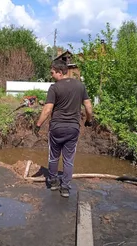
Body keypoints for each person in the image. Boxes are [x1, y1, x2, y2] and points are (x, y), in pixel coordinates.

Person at [35, 59, 93, 198]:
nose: (51, 75)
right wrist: (89, 121)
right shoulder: (80, 86)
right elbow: (89, 107)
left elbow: (48, 109)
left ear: (60, 72)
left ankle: (54, 182)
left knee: (54, 156)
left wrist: (38, 125)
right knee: (68, 159)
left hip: (56, 127)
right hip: (73, 128)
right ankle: (65, 188)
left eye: (52, 72)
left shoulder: (54, 88)